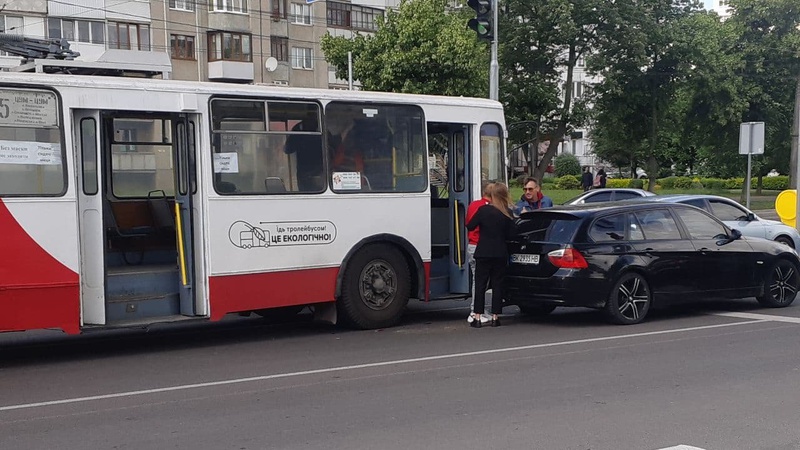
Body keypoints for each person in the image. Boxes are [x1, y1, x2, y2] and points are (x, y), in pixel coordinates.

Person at [466, 182, 515, 328]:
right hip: (500, 252)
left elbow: (470, 226)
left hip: (483, 251)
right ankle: (495, 317)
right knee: (497, 284)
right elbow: (512, 233)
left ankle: (478, 317)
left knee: (480, 284)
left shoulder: (483, 210)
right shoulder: (507, 212)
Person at [465, 180, 494, 325]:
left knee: (479, 279)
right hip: (481, 246)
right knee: (480, 281)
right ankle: (475, 310)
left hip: (472, 245)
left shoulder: (473, 205)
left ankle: (478, 309)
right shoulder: (488, 208)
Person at [284, 119, 324, 191]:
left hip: (320, 172)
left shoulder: (323, 127)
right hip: (305, 172)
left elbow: (331, 147)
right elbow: (288, 149)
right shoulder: (298, 129)